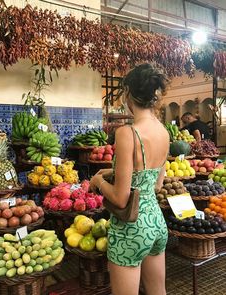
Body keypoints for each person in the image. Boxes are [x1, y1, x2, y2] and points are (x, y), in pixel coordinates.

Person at [90, 63, 169, 295]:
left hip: (131, 228)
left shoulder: (127, 133)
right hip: (156, 223)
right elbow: (155, 183)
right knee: (157, 292)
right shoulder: (163, 131)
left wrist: (99, 183)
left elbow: (121, 199)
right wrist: (112, 173)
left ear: (128, 93)